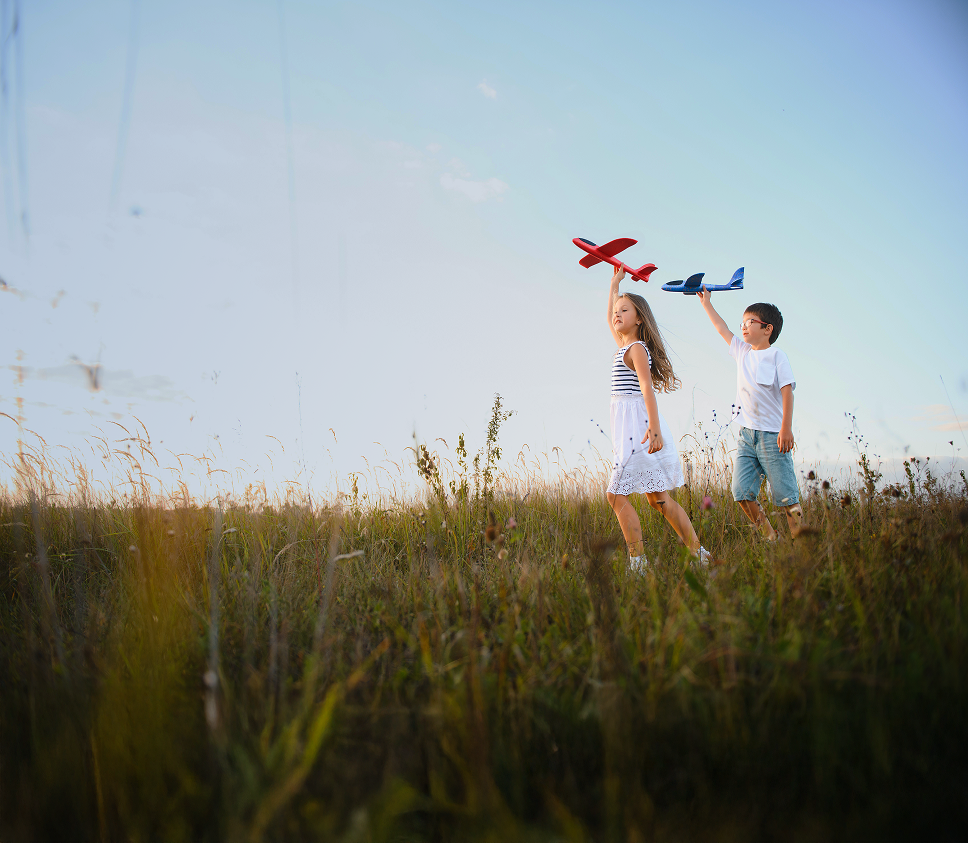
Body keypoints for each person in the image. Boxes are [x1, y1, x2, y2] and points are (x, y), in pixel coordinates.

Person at [606, 265, 710, 570]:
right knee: (657, 498)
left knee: (615, 495)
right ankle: (698, 553)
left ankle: (638, 563)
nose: (616, 314)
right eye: (615, 310)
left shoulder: (636, 349)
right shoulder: (624, 346)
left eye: (624, 310)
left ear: (638, 318)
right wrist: (614, 285)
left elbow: (647, 388)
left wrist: (653, 427)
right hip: (631, 427)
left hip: (638, 427)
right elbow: (609, 316)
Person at [696, 287, 803, 539]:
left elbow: (788, 392)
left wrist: (786, 428)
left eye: (750, 322)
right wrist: (706, 304)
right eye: (742, 323)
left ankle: (801, 547)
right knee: (741, 492)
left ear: (768, 329)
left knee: (787, 496)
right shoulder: (742, 352)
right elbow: (721, 328)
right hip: (747, 436)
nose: (743, 327)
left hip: (773, 436)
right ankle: (770, 537)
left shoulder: (777, 356)